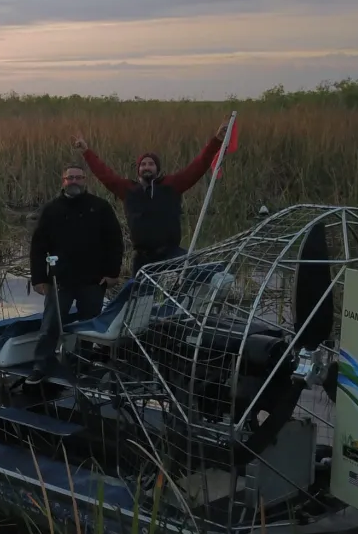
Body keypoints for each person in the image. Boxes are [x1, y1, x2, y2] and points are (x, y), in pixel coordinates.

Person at [73, 123, 227, 274]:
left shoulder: (172, 185)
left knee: (192, 271)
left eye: (151, 164)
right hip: (143, 256)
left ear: (157, 169)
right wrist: (86, 152)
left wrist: (217, 140)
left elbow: (198, 166)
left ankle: (209, 279)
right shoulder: (128, 190)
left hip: (171, 252)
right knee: (141, 297)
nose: (147, 167)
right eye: (143, 164)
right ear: (138, 170)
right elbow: (105, 175)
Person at [26, 164, 124, 385]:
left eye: (79, 177)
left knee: (89, 325)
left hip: (93, 279)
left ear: (85, 180)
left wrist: (112, 273)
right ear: (63, 181)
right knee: (50, 324)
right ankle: (41, 364)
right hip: (60, 280)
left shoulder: (100, 207)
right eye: (70, 178)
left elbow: (115, 243)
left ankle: (82, 363)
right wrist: (39, 278)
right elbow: (38, 247)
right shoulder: (51, 209)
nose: (74, 181)